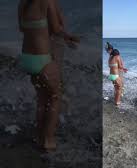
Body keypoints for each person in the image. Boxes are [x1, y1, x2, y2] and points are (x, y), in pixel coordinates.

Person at [18, 0, 79, 152]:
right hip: (43, 58)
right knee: (55, 97)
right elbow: (57, 28)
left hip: (27, 57)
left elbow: (22, 29)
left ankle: (39, 138)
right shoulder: (48, 1)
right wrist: (69, 36)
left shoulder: (23, 3)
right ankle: (48, 141)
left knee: (41, 99)